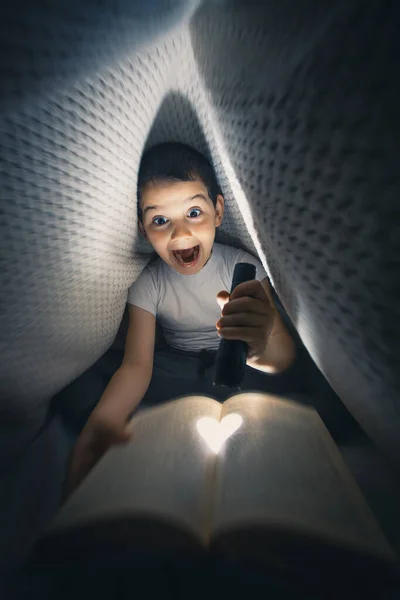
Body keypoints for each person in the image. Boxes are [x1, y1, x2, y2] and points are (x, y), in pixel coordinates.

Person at [66, 142, 298, 493]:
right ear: (144, 231)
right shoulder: (148, 283)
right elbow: (137, 365)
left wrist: (262, 342)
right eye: (160, 220)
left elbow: (283, 358)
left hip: (241, 366)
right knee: (82, 394)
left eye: (193, 213)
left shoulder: (239, 266)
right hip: (177, 368)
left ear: (218, 211)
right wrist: (104, 421)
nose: (179, 234)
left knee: (304, 402)